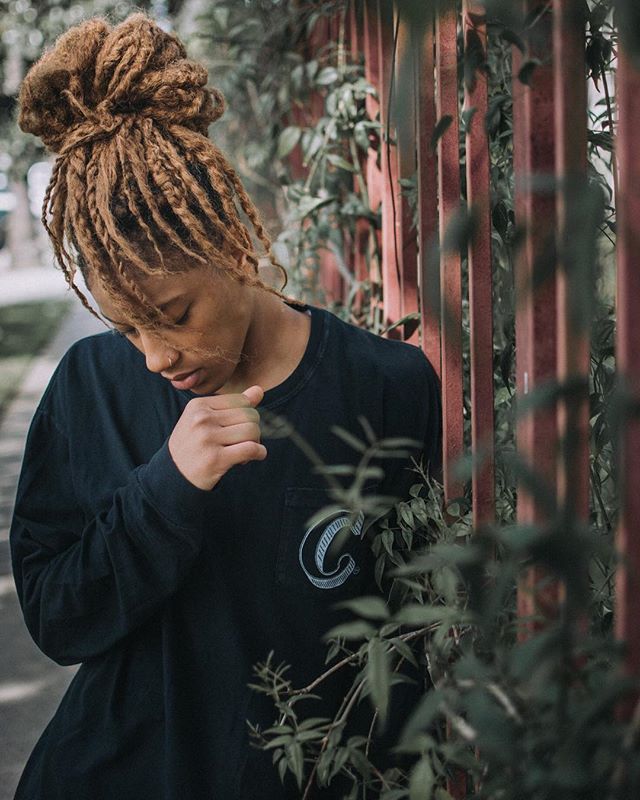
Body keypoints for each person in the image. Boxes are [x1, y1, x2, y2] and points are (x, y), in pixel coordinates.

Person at [10, 12, 442, 800]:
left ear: (238, 249)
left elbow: (414, 638)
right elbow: (57, 616)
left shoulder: (389, 387)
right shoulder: (89, 387)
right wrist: (163, 490)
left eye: (172, 315)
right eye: (126, 324)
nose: (154, 355)